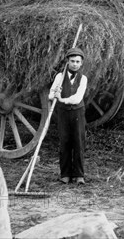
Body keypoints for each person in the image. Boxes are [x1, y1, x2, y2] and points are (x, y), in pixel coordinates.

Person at [49, 47, 88, 184]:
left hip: (77, 112)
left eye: (78, 61)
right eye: (72, 61)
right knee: (64, 142)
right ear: (67, 62)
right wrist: (55, 93)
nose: (75, 64)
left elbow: (77, 98)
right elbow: (50, 95)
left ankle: (79, 175)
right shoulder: (59, 77)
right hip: (63, 114)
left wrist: (61, 99)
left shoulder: (83, 79)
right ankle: (65, 174)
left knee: (78, 142)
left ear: (81, 63)